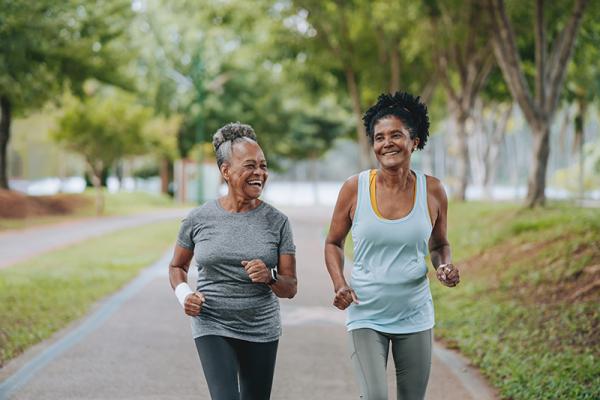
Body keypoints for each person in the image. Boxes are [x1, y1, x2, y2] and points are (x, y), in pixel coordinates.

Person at [324, 92, 460, 400]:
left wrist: (444, 266)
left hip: (414, 313)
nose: (387, 143)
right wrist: (339, 284)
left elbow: (439, 244)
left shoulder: (434, 190)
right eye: (379, 137)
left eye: (396, 135)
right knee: (374, 396)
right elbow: (333, 242)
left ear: (415, 141)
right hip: (366, 312)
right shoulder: (354, 188)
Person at [168, 122, 297, 400]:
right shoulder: (198, 219)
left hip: (260, 326)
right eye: (250, 166)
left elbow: (290, 287)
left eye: (263, 166)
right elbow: (177, 267)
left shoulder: (278, 222)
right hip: (212, 322)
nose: (259, 173)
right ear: (226, 171)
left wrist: (270, 277)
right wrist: (184, 294)